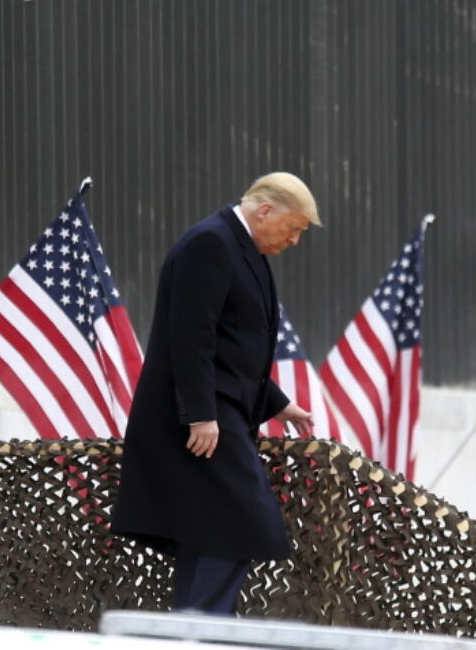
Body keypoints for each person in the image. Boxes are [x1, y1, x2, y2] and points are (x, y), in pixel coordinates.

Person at [112, 172, 321, 614]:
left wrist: (277, 403)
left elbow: (234, 345)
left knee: (209, 532)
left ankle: (191, 631)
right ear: (266, 211)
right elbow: (190, 337)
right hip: (200, 422)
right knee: (239, 522)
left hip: (222, 414)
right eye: (294, 227)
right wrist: (199, 415)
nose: (295, 240)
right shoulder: (209, 244)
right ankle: (199, 632)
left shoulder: (245, 249)